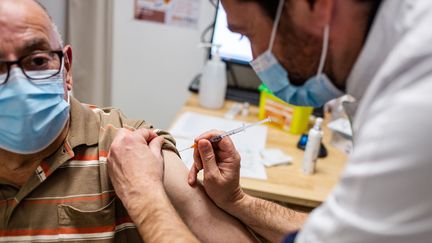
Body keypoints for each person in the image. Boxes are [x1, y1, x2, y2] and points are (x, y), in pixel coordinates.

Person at [108, 0, 432, 242]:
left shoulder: (413, 110)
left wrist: (143, 196)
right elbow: (328, 232)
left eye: (248, 32)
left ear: (315, 7)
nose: (255, 57)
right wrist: (236, 201)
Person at [0, 0, 259, 242]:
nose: (17, 83)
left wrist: (147, 196)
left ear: (66, 67)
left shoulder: (130, 147)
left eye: (37, 61)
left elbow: (214, 228)